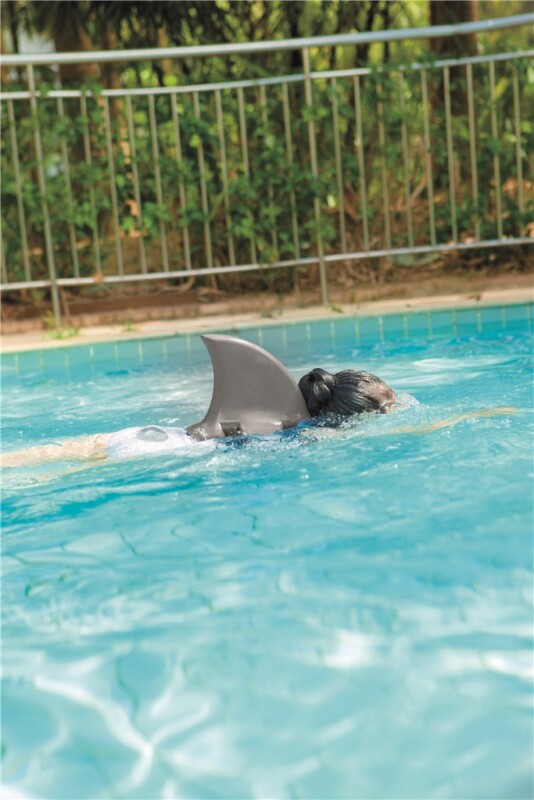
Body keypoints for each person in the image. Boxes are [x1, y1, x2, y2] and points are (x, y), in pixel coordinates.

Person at [0, 367, 396, 468]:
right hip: (160, 454)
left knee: (30, 460)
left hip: (153, 435)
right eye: (388, 407)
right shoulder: (317, 437)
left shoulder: (280, 413)